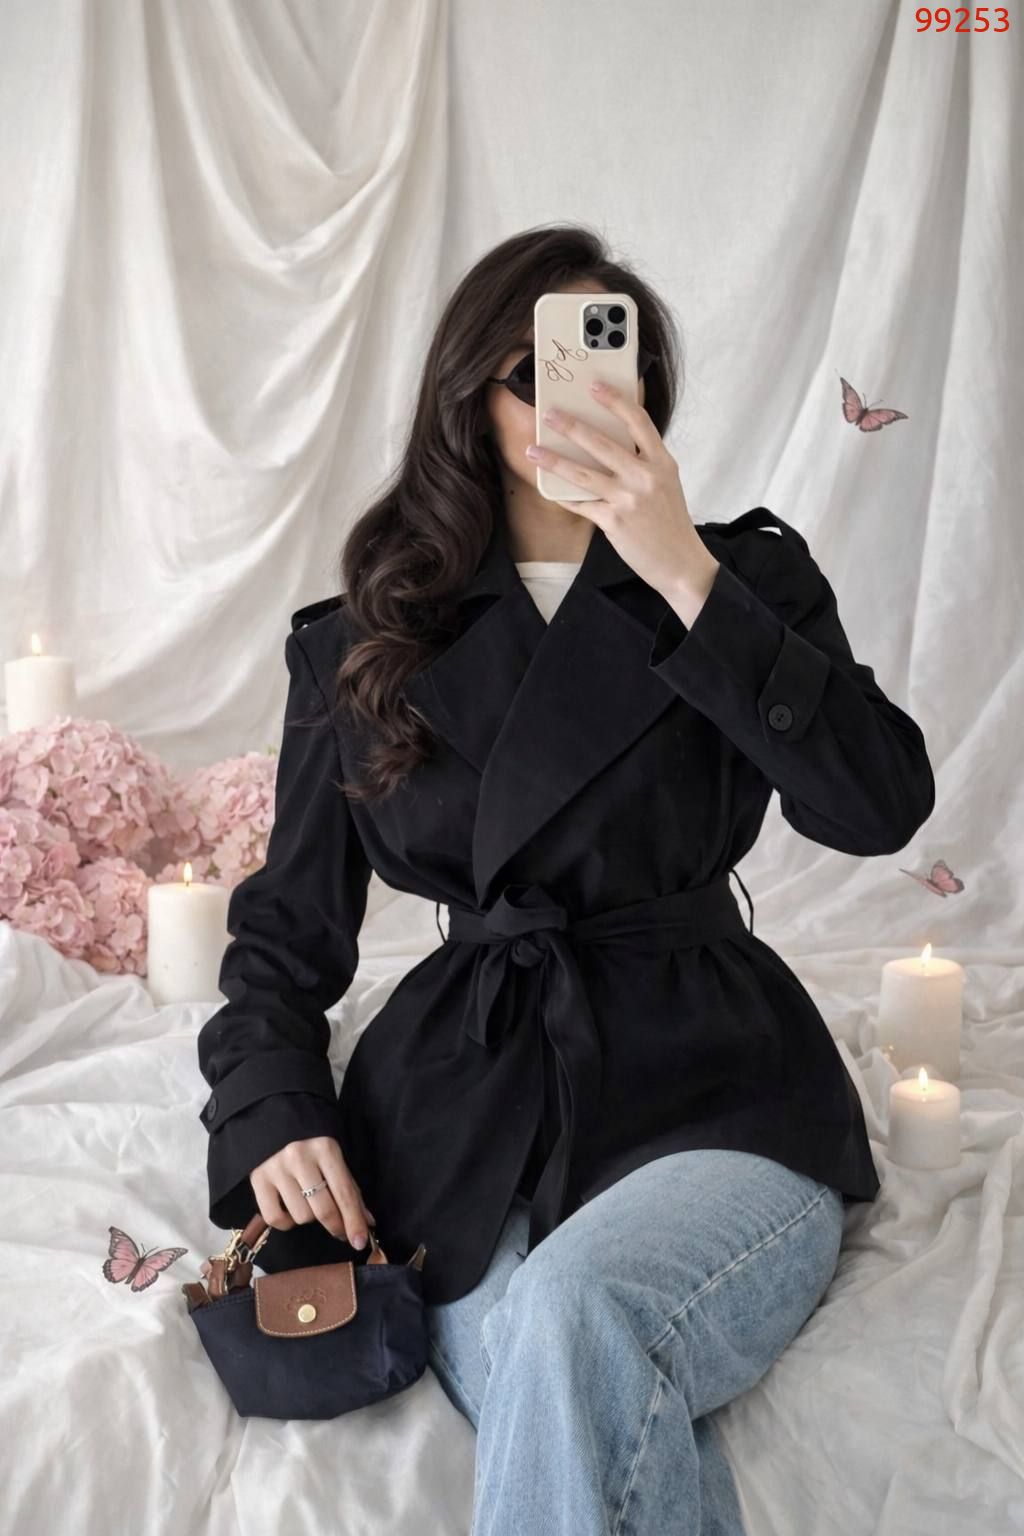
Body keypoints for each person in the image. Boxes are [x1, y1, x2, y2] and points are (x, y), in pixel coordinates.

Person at [196, 224, 935, 1533]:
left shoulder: (743, 579)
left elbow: (880, 805)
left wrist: (682, 569)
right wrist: (272, 1114)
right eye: (539, 372)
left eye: (612, 365)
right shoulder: (366, 641)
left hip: (716, 1079)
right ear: (472, 401)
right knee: (556, 1355)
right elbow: (284, 942)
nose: (580, 399)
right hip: (463, 1113)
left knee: (576, 1310)